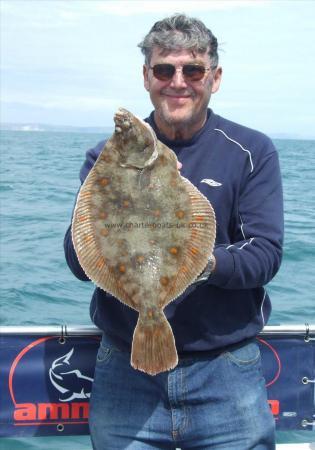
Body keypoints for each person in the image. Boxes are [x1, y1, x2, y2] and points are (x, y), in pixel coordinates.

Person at [64, 13, 283, 450]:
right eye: (164, 69)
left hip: (226, 373)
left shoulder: (251, 151)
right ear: (147, 77)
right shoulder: (101, 158)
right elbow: (77, 260)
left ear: (214, 78)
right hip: (123, 372)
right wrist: (118, 195)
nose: (177, 82)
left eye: (193, 70)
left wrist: (196, 258)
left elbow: (265, 255)